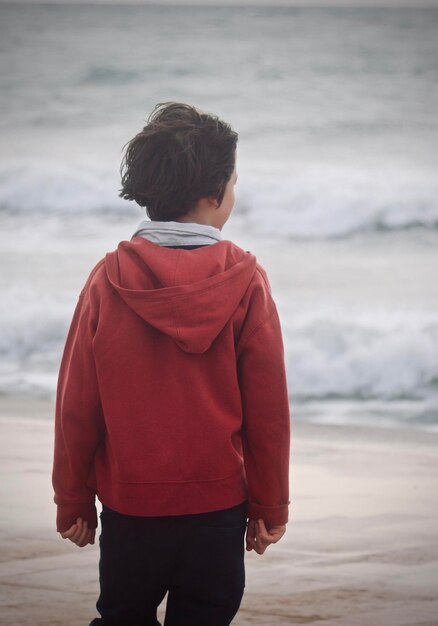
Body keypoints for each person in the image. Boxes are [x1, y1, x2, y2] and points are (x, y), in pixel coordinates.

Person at [52, 101, 291, 626]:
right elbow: (267, 411)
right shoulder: (247, 281)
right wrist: (271, 505)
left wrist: (72, 497)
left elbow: (77, 403)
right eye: (234, 181)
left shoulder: (107, 279)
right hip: (217, 509)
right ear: (215, 194)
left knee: (123, 615)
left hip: (130, 509)